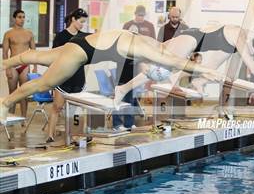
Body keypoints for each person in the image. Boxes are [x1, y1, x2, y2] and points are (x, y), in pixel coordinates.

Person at [0, 29, 224, 124]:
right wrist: (206, 71)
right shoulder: (147, 50)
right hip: (81, 54)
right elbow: (175, 62)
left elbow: (173, 60)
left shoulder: (154, 44)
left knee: (38, 56)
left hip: (81, 43)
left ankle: (3, 63)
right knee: (44, 83)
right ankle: (5, 102)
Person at [113, 24, 254, 107]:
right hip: (194, 36)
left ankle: (196, 83)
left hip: (215, 45)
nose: (252, 55)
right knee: (166, 65)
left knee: (197, 74)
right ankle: (123, 87)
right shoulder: (241, 37)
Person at [46, 9, 89, 143]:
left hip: (78, 77)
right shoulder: (61, 36)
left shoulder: (84, 36)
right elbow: (53, 58)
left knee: (76, 109)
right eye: (81, 22)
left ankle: (75, 135)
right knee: (57, 107)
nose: (83, 25)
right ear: (73, 20)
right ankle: (50, 135)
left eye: (84, 23)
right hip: (63, 77)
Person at [114, 5, 156, 131]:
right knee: (120, 95)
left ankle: (129, 122)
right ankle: (117, 123)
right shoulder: (123, 43)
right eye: (139, 15)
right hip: (122, 70)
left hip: (134, 70)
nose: (140, 17)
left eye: (142, 15)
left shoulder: (140, 44)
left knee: (131, 97)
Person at [2, 9, 37, 122]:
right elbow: (4, 52)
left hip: (25, 66)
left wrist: (34, 67)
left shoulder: (29, 33)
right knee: (12, 93)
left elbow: (34, 52)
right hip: (13, 65)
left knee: (24, 93)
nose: (22, 19)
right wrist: (6, 68)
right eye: (19, 17)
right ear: (14, 18)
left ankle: (23, 118)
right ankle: (11, 117)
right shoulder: (8, 34)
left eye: (23, 17)